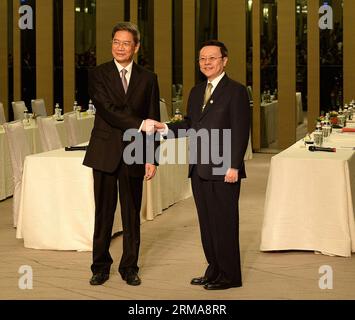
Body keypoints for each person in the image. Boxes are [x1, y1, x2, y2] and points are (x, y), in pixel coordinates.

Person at [155, 40, 250, 290]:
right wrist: (165, 127)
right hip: (199, 167)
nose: (206, 63)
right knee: (207, 223)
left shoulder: (237, 91)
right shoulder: (196, 92)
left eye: (212, 58)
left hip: (223, 168)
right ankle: (214, 270)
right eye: (202, 59)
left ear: (224, 60)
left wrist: (234, 166)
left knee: (225, 223)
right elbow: (190, 125)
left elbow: (240, 131)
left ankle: (229, 276)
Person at [83, 22, 160, 286]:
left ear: (136, 47)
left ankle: (129, 266)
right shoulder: (98, 74)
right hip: (104, 151)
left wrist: (152, 156)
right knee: (103, 213)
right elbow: (106, 109)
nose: (120, 47)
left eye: (126, 43)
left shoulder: (148, 78)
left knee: (131, 213)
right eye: (116, 41)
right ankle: (100, 265)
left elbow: (153, 117)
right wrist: (139, 124)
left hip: (135, 153)